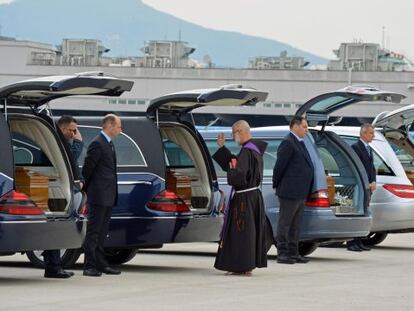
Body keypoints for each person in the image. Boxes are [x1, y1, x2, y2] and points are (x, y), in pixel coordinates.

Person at [212, 120, 270, 276]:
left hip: (244, 198)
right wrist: (222, 149)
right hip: (253, 196)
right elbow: (236, 163)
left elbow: (239, 175)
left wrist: (231, 171)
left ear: (240, 131)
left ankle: (241, 265)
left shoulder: (246, 151)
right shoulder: (254, 149)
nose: (233, 137)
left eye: (233, 133)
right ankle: (247, 264)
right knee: (248, 232)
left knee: (241, 232)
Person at [41, 115, 83, 279]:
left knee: (56, 227)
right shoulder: (55, 142)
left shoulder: (57, 141)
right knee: (56, 228)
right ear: (62, 129)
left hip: (58, 189)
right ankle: (53, 267)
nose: (74, 134)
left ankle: (53, 265)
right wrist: (78, 143)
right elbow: (69, 160)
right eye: (72, 130)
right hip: (54, 190)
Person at [82, 114, 122, 277]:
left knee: (102, 231)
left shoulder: (109, 144)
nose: (120, 130)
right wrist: (87, 188)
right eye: (119, 126)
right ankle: (89, 265)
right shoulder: (97, 143)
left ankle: (100, 263)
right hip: (98, 194)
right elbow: (88, 169)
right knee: (94, 231)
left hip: (108, 194)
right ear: (110, 126)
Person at [273, 116, 314, 264]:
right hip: (289, 191)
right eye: (304, 127)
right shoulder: (288, 143)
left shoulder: (300, 142)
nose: (306, 130)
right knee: (285, 224)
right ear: (295, 126)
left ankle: (293, 252)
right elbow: (279, 167)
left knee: (295, 225)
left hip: (300, 192)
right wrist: (276, 184)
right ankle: (282, 253)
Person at [346, 124, 376, 252]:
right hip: (360, 186)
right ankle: (352, 242)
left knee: (363, 213)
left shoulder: (369, 148)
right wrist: (365, 182)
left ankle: (359, 241)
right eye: (371, 133)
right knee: (356, 213)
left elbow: (372, 167)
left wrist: (373, 180)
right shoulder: (355, 147)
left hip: (369, 187)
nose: (373, 136)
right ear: (363, 134)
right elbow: (357, 169)